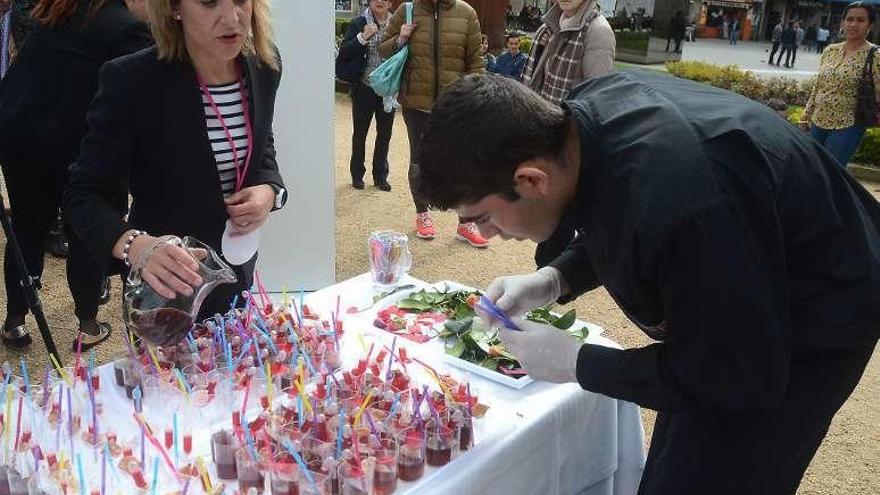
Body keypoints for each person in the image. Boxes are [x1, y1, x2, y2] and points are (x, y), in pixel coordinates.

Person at [411, 71, 880, 495]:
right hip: (737, 260)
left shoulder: (684, 204)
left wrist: (580, 363)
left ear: (532, 179)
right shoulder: (577, 122)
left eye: (485, 217)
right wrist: (556, 277)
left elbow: (734, 377)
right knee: (681, 446)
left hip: (821, 305)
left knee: (732, 460)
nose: (487, 234)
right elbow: (613, 212)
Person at [63, 0, 287, 320]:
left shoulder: (265, 64)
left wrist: (270, 188)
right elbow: (82, 194)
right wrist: (136, 247)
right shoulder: (132, 80)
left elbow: (261, 143)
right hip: (166, 292)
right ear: (174, 8)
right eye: (209, 2)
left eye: (240, 0)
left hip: (237, 273)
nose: (231, 16)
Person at [0, 0, 151, 350]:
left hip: (21, 131)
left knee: (27, 224)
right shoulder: (127, 27)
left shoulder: (62, 6)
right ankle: (87, 324)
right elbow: (137, 101)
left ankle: (14, 321)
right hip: (71, 143)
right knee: (85, 228)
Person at [379, 0, 489, 247]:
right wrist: (401, 39)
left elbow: (475, 61)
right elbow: (383, 50)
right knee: (419, 161)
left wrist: (476, 100)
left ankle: (466, 221)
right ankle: (422, 214)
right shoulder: (406, 10)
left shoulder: (466, 12)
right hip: (416, 104)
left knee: (462, 164)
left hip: (456, 105)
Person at [803, 2, 880, 168]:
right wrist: (806, 115)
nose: (853, 24)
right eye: (849, 19)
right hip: (818, 120)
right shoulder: (830, 50)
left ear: (870, 25)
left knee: (833, 171)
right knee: (813, 168)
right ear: (842, 22)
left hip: (848, 125)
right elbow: (819, 86)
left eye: (860, 20)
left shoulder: (875, 54)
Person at [336, 0, 394, 192]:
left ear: (390, 2)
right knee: (360, 133)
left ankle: (380, 176)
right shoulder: (358, 23)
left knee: (384, 134)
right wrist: (363, 37)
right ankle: (357, 175)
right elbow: (344, 53)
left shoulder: (397, 23)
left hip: (388, 90)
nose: (380, 1)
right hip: (364, 86)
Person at [522, 0, 615, 105]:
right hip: (540, 114)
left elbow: (597, 99)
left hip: (566, 118)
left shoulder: (598, 30)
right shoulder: (549, 26)